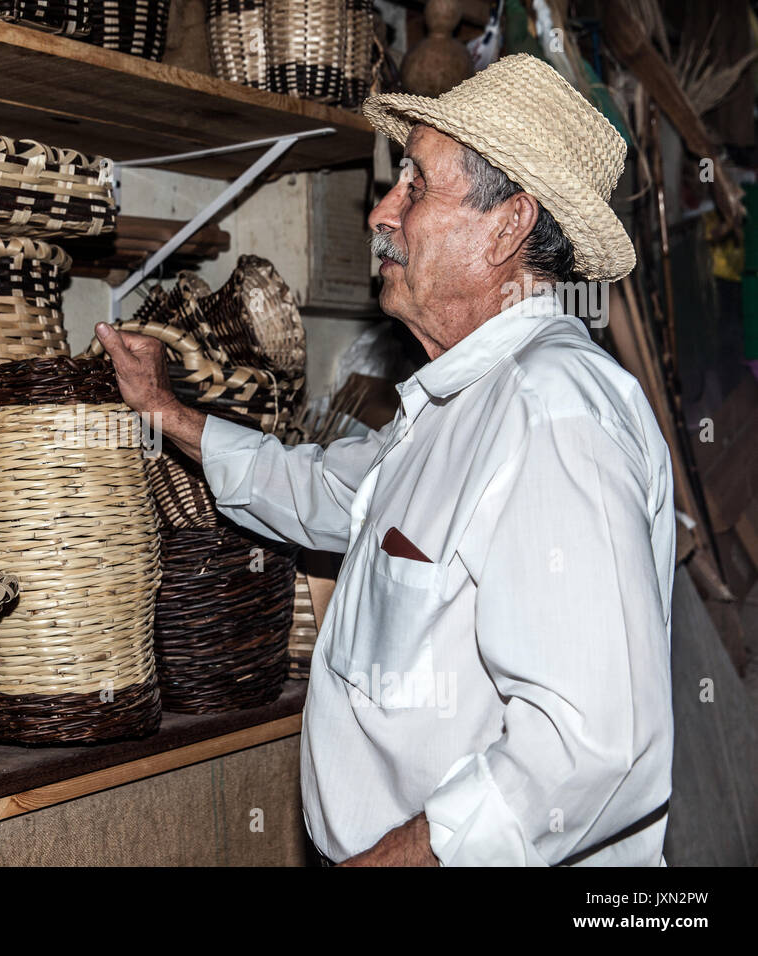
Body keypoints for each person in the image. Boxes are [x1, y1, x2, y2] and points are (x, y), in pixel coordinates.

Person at [95, 55, 674, 866]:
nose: (380, 214)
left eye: (416, 187)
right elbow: (325, 491)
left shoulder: (551, 412)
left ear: (508, 226)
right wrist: (168, 413)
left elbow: (594, 746)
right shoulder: (452, 404)